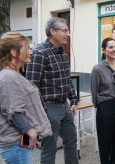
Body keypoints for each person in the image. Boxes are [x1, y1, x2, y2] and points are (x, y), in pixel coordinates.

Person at [26, 17, 79, 164]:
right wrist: (43, 111)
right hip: (49, 107)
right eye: (65, 30)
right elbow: (32, 86)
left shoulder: (62, 53)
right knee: (49, 148)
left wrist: (73, 100)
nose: (68, 34)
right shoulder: (39, 53)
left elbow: (67, 79)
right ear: (52, 32)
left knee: (71, 141)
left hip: (64, 106)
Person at [0, 32, 52, 164]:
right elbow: (14, 111)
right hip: (16, 145)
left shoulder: (13, 74)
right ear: (14, 52)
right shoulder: (9, 77)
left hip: (18, 144)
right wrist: (31, 132)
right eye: (27, 48)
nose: (31, 51)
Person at [91, 37, 115, 164]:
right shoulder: (97, 68)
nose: (114, 49)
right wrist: (99, 105)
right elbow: (94, 91)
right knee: (105, 140)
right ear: (104, 50)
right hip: (105, 105)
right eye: (110, 47)